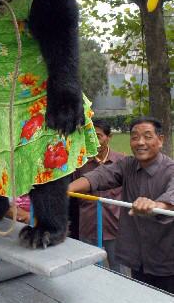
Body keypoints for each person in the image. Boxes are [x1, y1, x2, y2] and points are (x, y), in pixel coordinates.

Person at [68, 116, 174, 294]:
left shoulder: (170, 169)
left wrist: (156, 205)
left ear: (160, 140)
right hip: (138, 259)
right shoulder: (127, 165)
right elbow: (100, 176)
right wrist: (66, 189)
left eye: (147, 136)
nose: (140, 142)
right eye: (134, 137)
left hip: (167, 262)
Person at [72, 119, 125, 272]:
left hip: (115, 227)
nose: (95, 140)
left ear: (109, 137)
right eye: (91, 136)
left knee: (118, 270)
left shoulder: (121, 161)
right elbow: (72, 191)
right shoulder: (80, 163)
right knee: (89, 269)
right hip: (88, 226)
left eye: (99, 136)